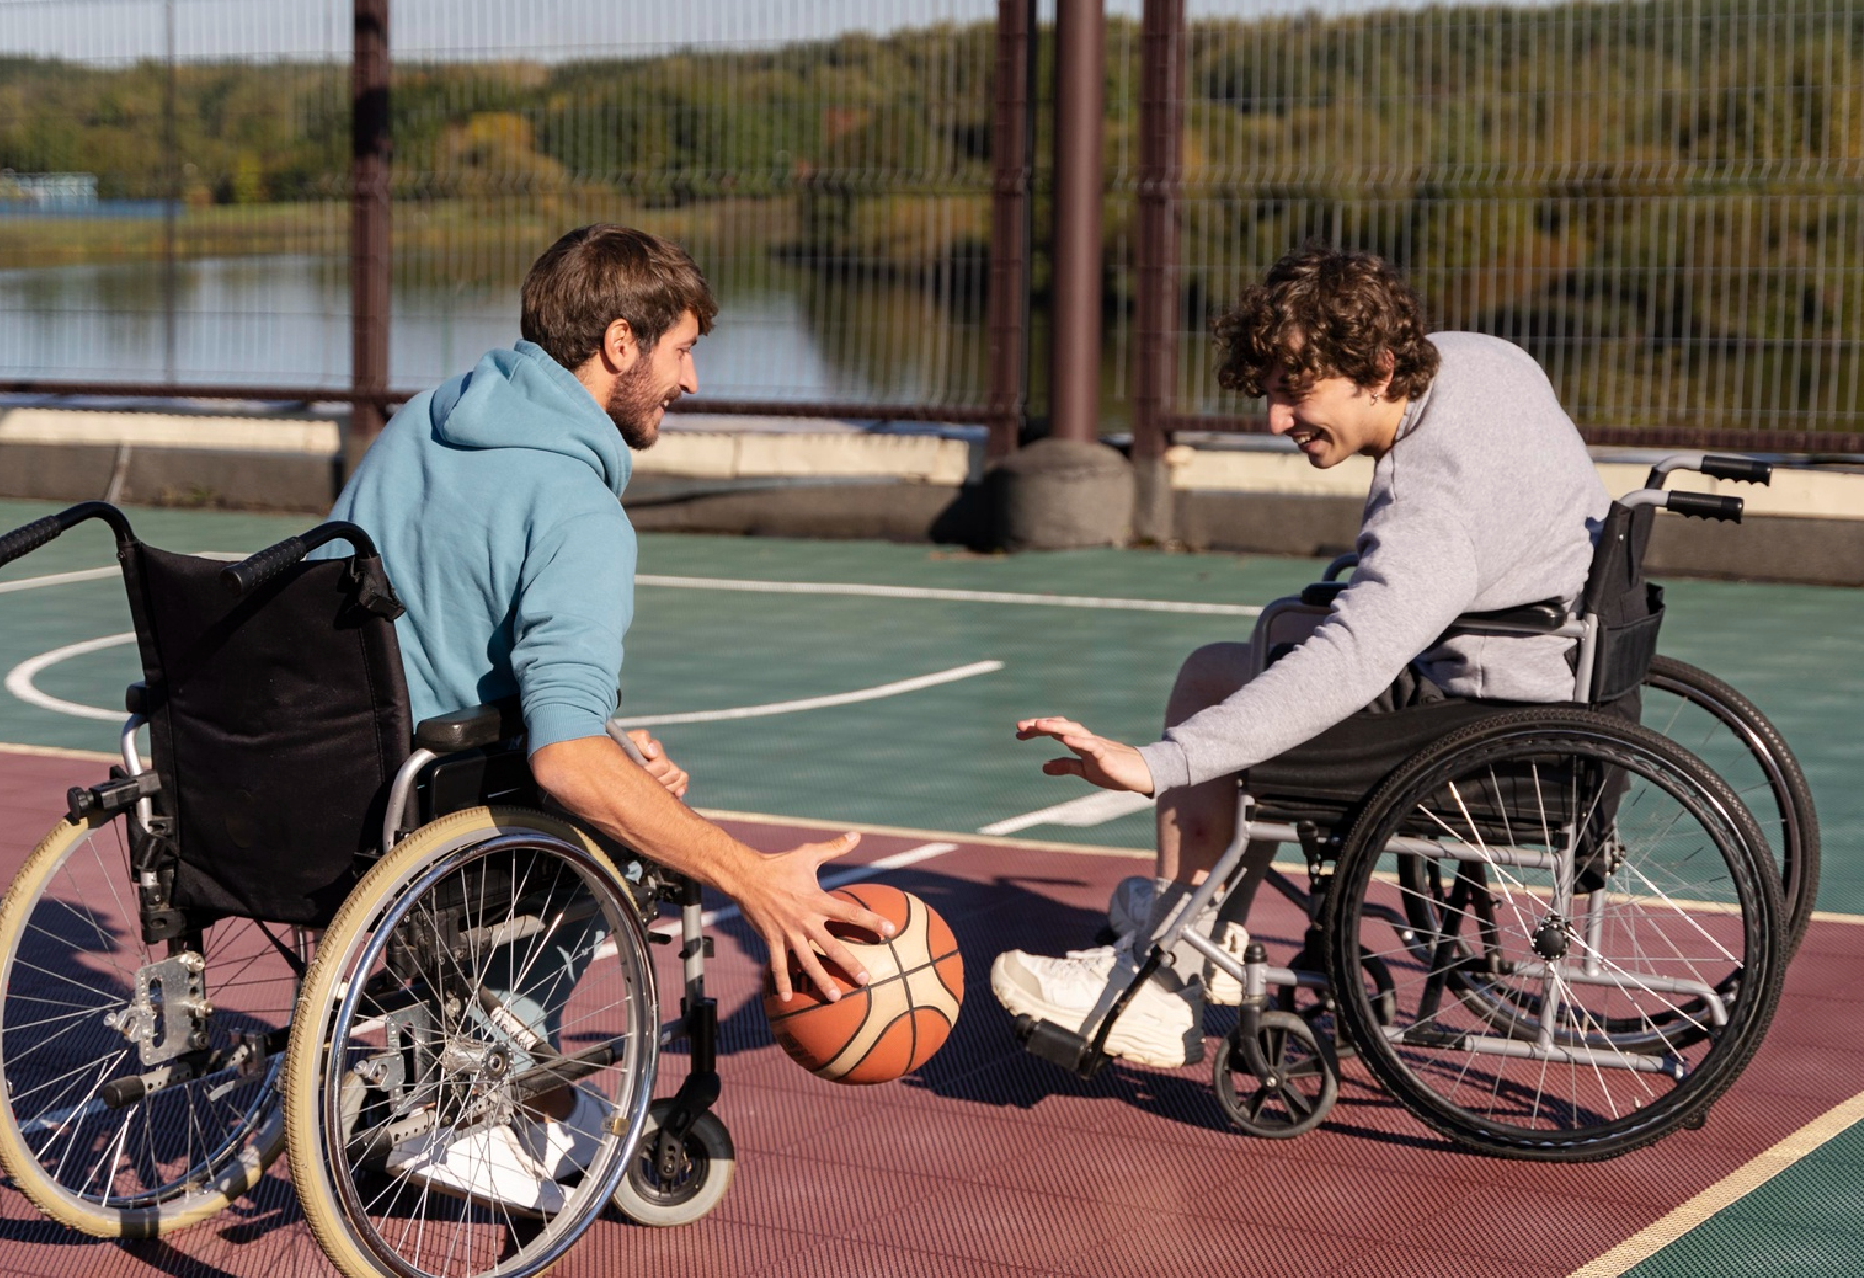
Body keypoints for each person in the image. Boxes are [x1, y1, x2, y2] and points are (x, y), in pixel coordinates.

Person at [328, 223, 889, 1211]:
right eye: (682, 350)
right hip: (424, 819)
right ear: (620, 344)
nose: (695, 380)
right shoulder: (578, 510)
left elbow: (431, 641)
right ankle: (467, 1099)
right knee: (627, 837)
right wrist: (753, 879)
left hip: (322, 785)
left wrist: (612, 747)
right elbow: (564, 764)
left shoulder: (418, 422)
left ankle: (484, 1059)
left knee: (611, 774)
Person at [998, 248, 1611, 1068]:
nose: (1276, 422)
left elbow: (1351, 661)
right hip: (1552, 679)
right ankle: (1190, 929)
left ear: (1379, 367)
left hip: (1491, 737)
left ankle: (1160, 984)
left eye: (1297, 393)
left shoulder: (1427, 504)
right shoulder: (1482, 359)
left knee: (1247, 705)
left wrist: (1158, 764)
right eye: (1271, 395)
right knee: (1219, 670)